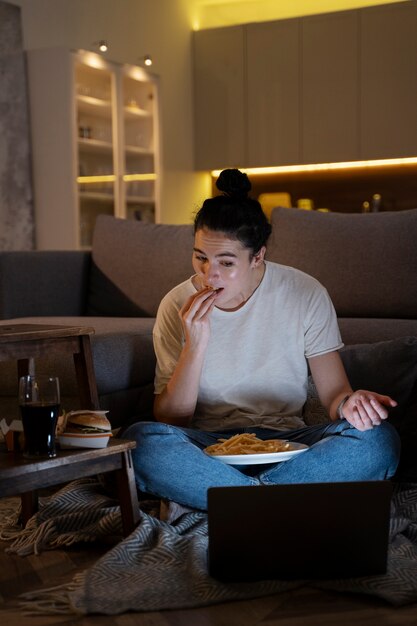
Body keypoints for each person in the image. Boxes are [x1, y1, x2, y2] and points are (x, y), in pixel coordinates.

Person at [124, 169, 400, 513]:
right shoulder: (175, 305)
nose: (209, 274)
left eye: (226, 262)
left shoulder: (305, 293)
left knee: (379, 441)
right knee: (140, 443)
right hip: (209, 449)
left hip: (289, 445)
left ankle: (239, 502)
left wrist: (351, 405)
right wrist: (195, 346)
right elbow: (170, 422)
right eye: (200, 257)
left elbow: (334, 397)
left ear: (258, 257)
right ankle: (276, 502)